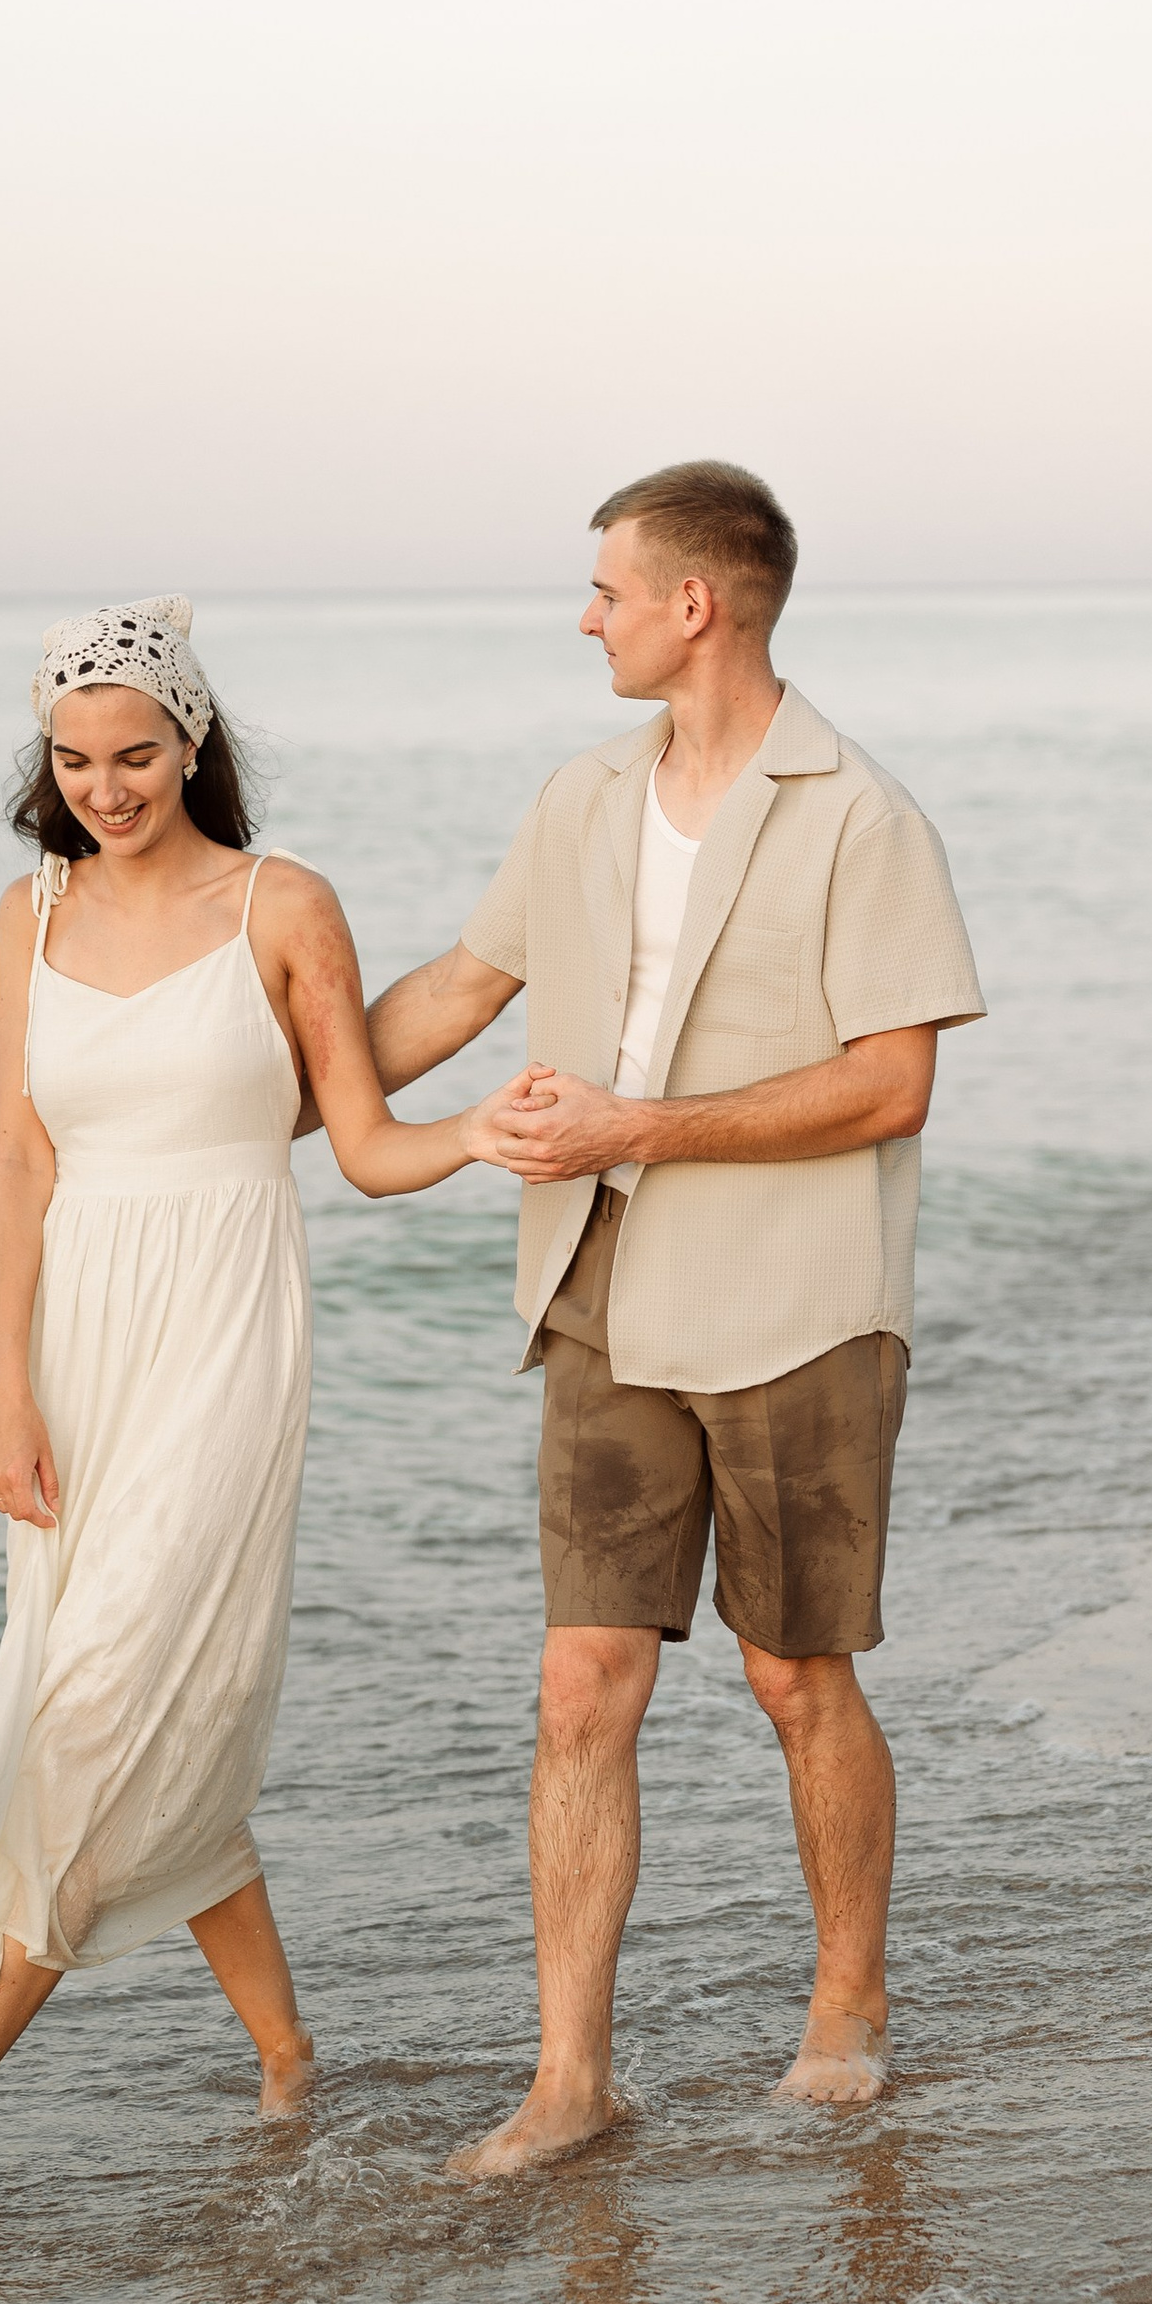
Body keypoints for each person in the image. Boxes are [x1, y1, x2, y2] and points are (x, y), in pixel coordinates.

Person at [0, 595, 518, 2250]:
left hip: (226, 1332)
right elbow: (19, 1161)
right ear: (47, 762)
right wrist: (4, 1390)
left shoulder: (280, 903)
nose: (107, 786)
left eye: (138, 753)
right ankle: (292, 2052)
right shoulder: (24, 916)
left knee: (98, 1713)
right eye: (76, 758)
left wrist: (491, 1133)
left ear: (194, 745)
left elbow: (364, 1142)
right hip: (79, 1350)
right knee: (119, 1700)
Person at [369, 463, 985, 2178]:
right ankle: (572, 2078)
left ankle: (844, 2004)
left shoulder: (861, 815)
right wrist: (252, 1081)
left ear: (694, 605)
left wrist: (641, 1128)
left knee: (798, 1676)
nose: (588, 616)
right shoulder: (579, 797)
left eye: (607, 590)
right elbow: (456, 989)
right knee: (583, 1687)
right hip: (601, 1291)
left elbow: (894, 1081)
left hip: (798, 1306)